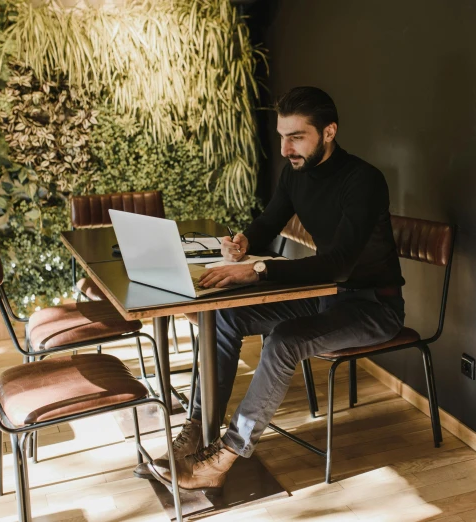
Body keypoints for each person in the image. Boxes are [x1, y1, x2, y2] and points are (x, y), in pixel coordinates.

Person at [134, 86, 406, 492]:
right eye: (282, 136)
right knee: (224, 316)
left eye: (296, 137)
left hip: (372, 306)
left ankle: (223, 457)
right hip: (325, 296)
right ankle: (197, 429)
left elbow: (340, 265)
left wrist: (258, 271)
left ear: (329, 132)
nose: (285, 148)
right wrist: (243, 242)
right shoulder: (295, 174)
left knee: (283, 341)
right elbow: (268, 223)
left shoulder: (363, 181)